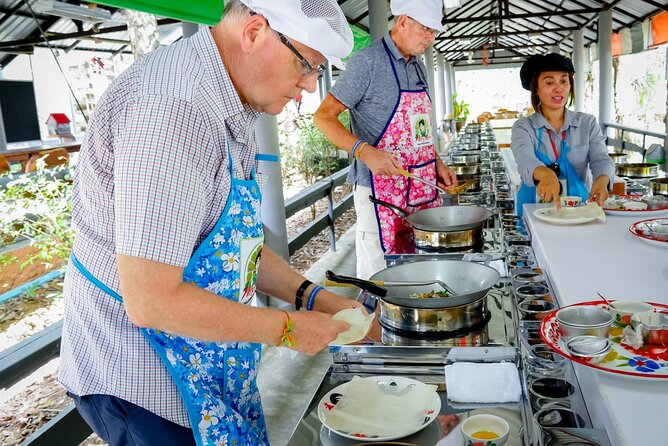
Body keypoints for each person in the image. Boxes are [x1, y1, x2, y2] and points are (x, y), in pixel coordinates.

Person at [58, 1, 362, 445]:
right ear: (255, 32)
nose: (307, 88)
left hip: (205, 357)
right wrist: (290, 329)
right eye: (305, 66)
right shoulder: (174, 113)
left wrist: (313, 297)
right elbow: (151, 302)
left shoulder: (233, 98)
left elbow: (232, 246)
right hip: (147, 379)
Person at [314, 0, 457, 279]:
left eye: (434, 32)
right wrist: (365, 152)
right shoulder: (366, 63)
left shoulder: (418, 67)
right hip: (379, 192)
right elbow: (323, 117)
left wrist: (436, 161)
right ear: (402, 22)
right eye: (426, 29)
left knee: (421, 272)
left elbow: (421, 128)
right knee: (382, 276)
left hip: (420, 187)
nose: (431, 38)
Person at [511, 53, 615, 216]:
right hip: (535, 210)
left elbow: (601, 158)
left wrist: (602, 180)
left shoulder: (587, 123)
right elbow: (524, 159)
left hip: (579, 210)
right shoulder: (524, 126)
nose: (559, 88)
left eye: (564, 81)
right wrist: (545, 173)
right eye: (549, 82)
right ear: (535, 88)